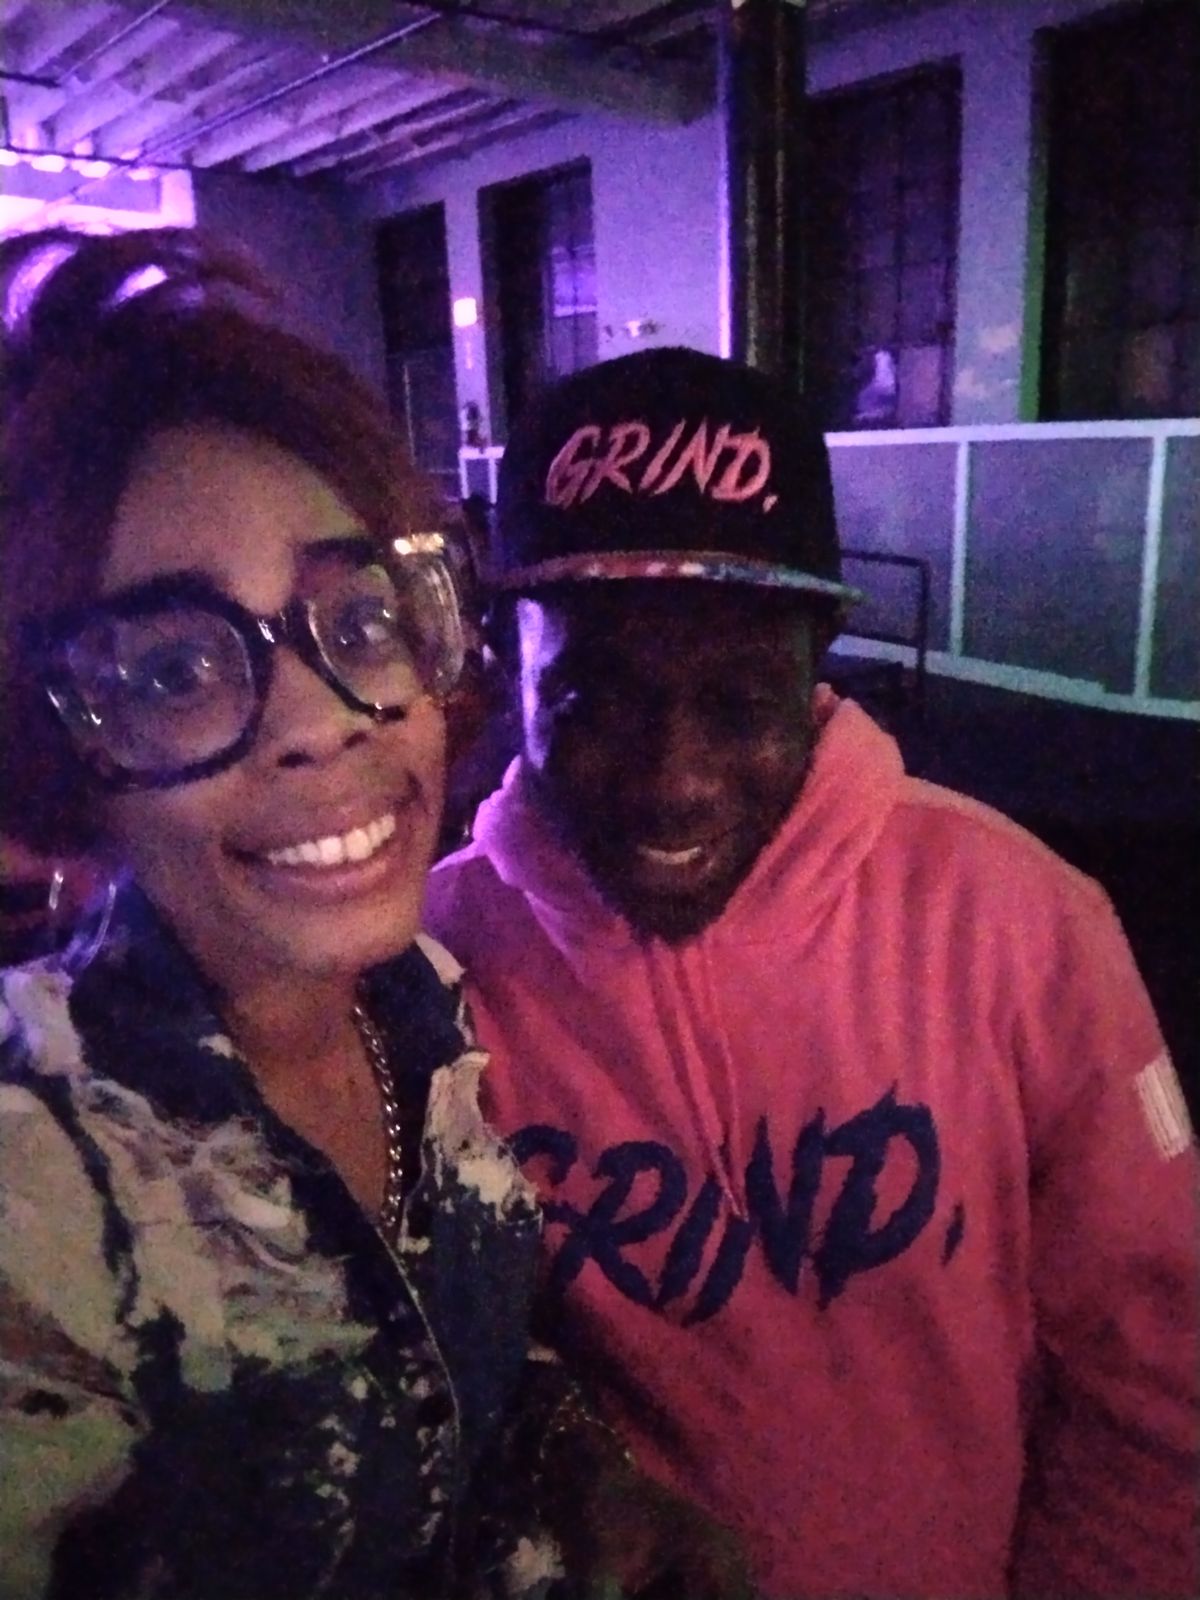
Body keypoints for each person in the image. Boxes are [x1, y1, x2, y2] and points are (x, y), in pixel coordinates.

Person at [0, 234, 745, 1600]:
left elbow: (452, 1352)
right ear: (63, 746)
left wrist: (583, 1470)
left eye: (358, 623)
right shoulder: (40, 1190)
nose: (325, 723)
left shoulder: (423, 1006)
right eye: (174, 670)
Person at [426, 346, 1200, 1599]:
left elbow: (1156, 1378)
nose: (674, 780)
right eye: (592, 698)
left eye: (737, 704)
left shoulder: (1021, 921)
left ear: (820, 653)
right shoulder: (426, 964)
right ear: (507, 663)